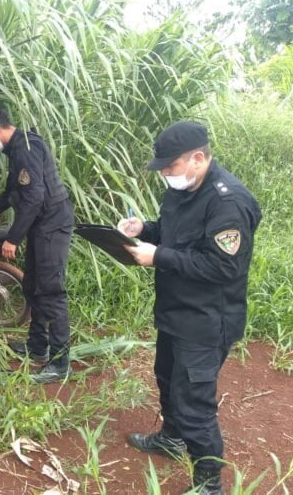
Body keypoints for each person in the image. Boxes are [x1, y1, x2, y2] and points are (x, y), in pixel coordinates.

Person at [117, 121, 261, 495]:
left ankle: (209, 484)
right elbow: (172, 233)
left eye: (171, 166)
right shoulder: (181, 191)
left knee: (194, 403)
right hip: (176, 311)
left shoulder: (228, 202)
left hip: (207, 320)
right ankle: (171, 437)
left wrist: (158, 256)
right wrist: (144, 231)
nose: (166, 174)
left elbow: (223, 266)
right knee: (167, 379)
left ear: (198, 158)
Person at [0, 104, 74, 383]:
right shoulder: (16, 149)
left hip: (52, 223)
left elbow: (35, 197)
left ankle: (61, 362)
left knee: (51, 291)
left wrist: (13, 238)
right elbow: (11, 193)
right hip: (40, 224)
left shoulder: (25, 148)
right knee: (32, 285)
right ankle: (37, 346)